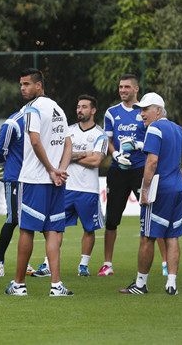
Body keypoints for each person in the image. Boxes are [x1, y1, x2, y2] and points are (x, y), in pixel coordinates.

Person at [119, 93, 182, 295]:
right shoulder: (177, 129)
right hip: (176, 188)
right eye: (141, 109)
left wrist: (145, 190)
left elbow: (152, 162)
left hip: (159, 189)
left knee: (147, 236)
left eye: (146, 109)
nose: (142, 113)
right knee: (172, 236)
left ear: (158, 110)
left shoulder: (155, 129)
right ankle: (171, 283)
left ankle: (140, 284)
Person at [6, 69, 73, 297]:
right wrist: (60, 171)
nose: (22, 88)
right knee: (52, 231)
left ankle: (18, 284)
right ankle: (56, 286)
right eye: (21, 84)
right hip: (54, 182)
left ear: (39, 86)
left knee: (26, 230)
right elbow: (68, 144)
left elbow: (35, 142)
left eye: (26, 84)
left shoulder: (32, 109)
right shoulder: (58, 109)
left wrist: (52, 169)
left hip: (34, 179)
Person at [100, 73, 146, 276]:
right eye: (120, 87)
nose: (122, 90)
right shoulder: (111, 113)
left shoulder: (145, 110)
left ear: (136, 89)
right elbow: (108, 140)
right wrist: (115, 153)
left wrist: (139, 146)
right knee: (111, 219)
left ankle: (163, 265)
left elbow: (155, 136)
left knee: (151, 216)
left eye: (127, 87)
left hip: (141, 169)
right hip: (118, 170)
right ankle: (107, 264)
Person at [64, 95, 107, 277]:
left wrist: (72, 155)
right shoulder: (68, 131)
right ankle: (47, 264)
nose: (79, 110)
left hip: (88, 190)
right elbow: (59, 153)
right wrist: (86, 153)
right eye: (78, 106)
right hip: (65, 187)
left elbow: (96, 160)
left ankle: (83, 265)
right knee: (53, 227)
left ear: (93, 110)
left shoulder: (100, 134)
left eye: (84, 107)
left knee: (89, 229)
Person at [0, 107, 26, 277]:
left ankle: (24, 263)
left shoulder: (40, 122)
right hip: (14, 178)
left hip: (32, 179)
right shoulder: (14, 122)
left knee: (28, 222)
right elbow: (0, 151)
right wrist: (4, 167)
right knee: (13, 219)